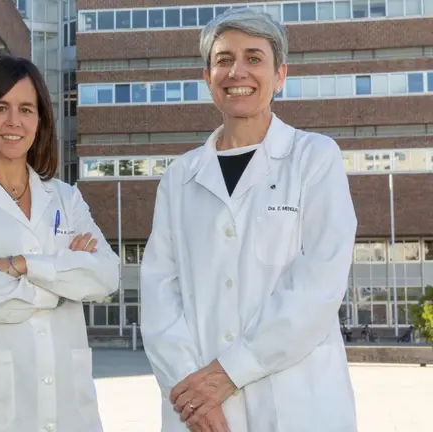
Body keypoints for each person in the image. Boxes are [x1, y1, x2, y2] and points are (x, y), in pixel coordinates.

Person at [139, 8, 358, 432]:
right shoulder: (180, 177)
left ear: (280, 76)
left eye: (254, 58)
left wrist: (230, 371)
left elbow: (319, 283)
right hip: (203, 412)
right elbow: (160, 292)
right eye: (224, 59)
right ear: (208, 78)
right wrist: (193, 394)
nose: (237, 71)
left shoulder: (314, 158)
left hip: (298, 404)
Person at [0, 55, 120, 432]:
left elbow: (107, 277)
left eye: (26, 109)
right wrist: (63, 285)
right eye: (0, 108)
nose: (14, 121)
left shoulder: (65, 197)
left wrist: (24, 265)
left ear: (40, 120)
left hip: (69, 409)